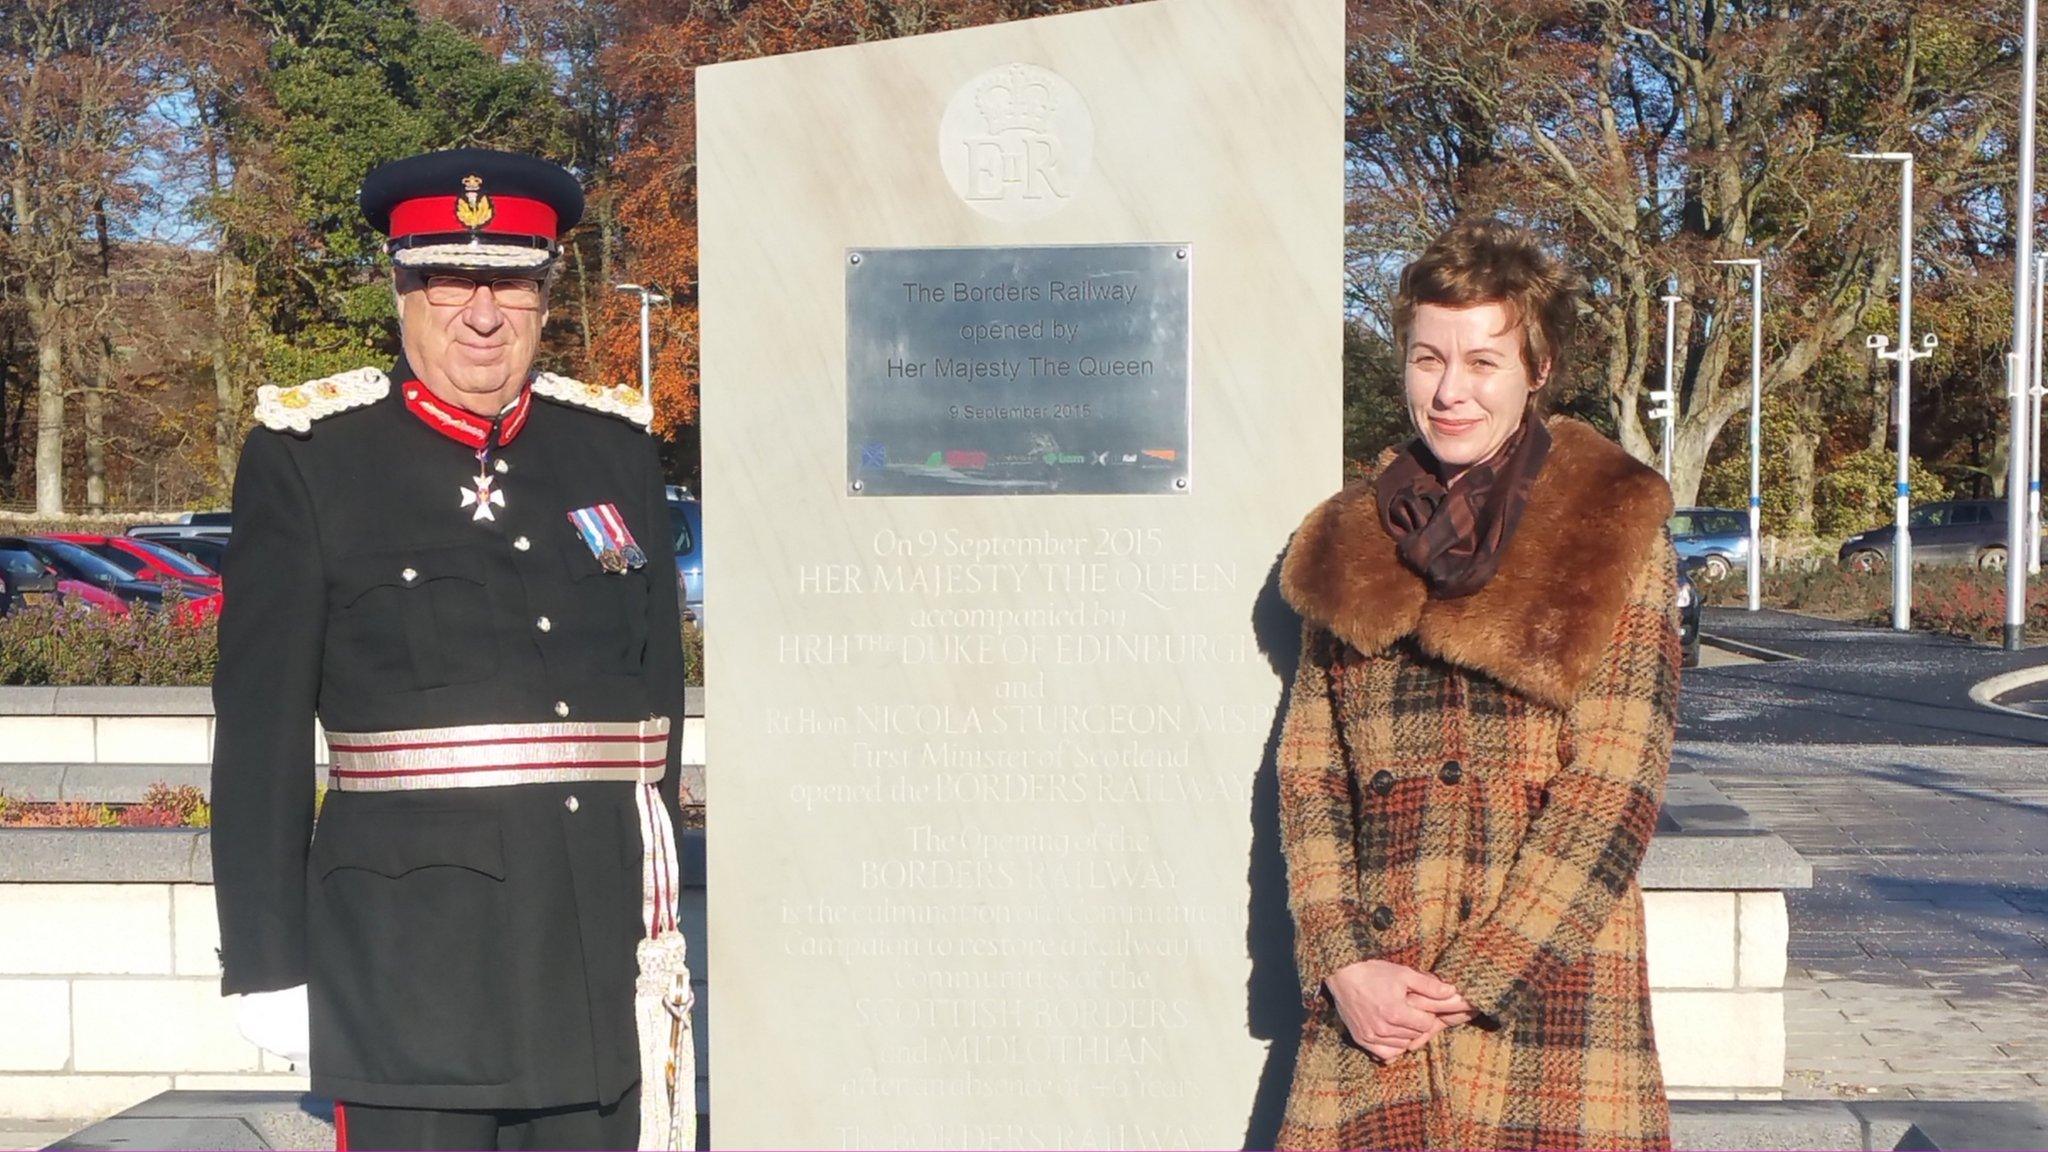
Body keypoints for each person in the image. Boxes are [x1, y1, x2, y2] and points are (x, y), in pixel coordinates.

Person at [210, 148, 693, 1152]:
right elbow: (257, 733)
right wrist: (267, 962)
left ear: (546, 292)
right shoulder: (314, 460)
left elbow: (653, 719)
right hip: (406, 983)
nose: (483, 314)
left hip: (593, 977)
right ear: (401, 289)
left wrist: (657, 926)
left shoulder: (609, 450)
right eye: (451, 281)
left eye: (510, 282)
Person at [1273, 217, 1678, 1150]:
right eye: (1426, 360)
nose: (1450, 392)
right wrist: (1345, 965)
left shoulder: (1608, 520)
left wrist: (1485, 971)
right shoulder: (1348, 535)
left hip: (1545, 989)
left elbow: (1618, 776)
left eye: (1482, 363)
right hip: (1379, 999)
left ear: (1536, 368)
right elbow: (1312, 774)